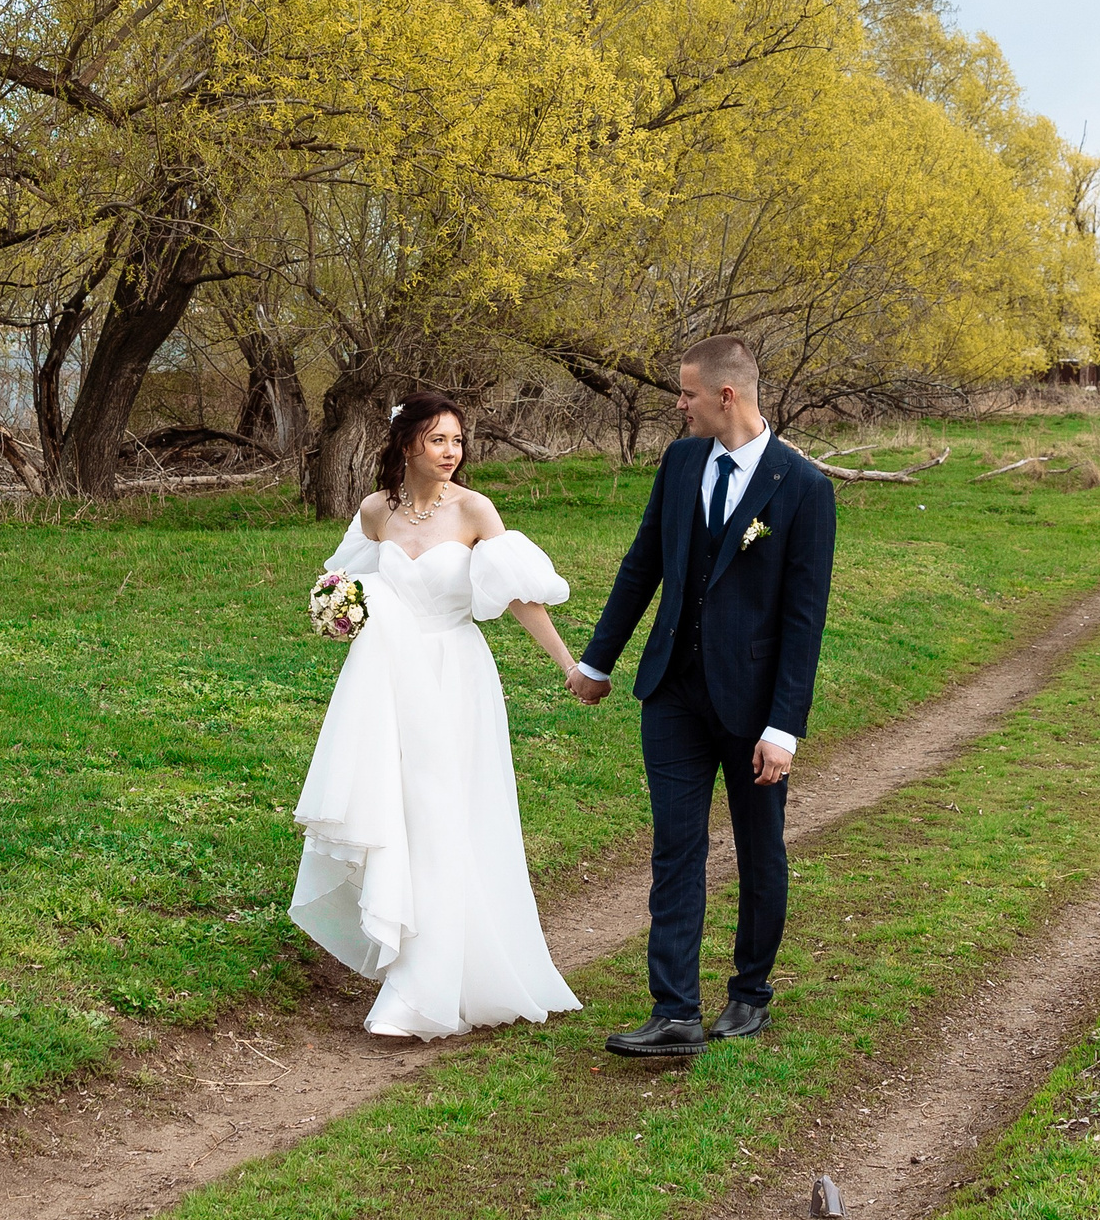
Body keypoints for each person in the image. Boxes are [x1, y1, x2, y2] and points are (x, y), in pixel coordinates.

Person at [289, 393, 592, 1039]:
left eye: (457, 440)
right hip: (388, 681)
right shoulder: (376, 511)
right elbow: (341, 582)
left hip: (455, 679)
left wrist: (569, 665)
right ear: (407, 446)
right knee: (403, 812)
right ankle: (412, 964)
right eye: (437, 440)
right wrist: (339, 610)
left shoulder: (474, 510)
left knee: (445, 813)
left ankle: (433, 981)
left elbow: (519, 595)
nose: (451, 451)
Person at [574, 335, 836, 1057]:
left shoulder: (803, 487)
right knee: (676, 847)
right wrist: (598, 660)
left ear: (726, 395)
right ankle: (675, 1011)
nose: (678, 404)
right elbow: (643, 564)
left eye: (686, 392)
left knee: (759, 849)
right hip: (673, 690)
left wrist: (783, 727)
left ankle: (750, 992)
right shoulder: (681, 461)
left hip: (754, 706)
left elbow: (804, 619)